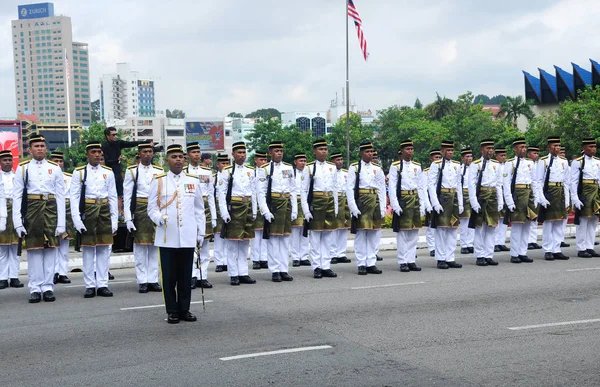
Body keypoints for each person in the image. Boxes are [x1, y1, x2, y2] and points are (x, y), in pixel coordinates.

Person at [147, 144, 205, 324]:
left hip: (187, 236)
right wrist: (159, 218)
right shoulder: (159, 181)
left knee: (185, 277)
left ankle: (185, 309)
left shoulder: (193, 181)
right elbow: (151, 209)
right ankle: (172, 310)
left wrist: (200, 233)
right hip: (167, 237)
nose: (178, 159)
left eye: (181, 156)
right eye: (174, 156)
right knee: (169, 277)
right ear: (167, 160)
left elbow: (199, 210)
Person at [13, 134, 64, 303]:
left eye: (42, 145)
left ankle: (48, 287)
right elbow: (17, 197)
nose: (40, 149)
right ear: (30, 149)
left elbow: (61, 197)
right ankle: (35, 288)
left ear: (46, 148)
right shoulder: (22, 168)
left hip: (50, 209)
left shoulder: (55, 168)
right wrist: (17, 222)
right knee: (34, 252)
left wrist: (61, 222)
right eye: (36, 146)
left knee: (50, 251)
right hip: (32, 210)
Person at [71, 141, 118, 298]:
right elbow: (74, 197)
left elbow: (112, 196)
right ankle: (90, 284)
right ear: (87, 154)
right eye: (93, 152)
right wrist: (77, 220)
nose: (97, 154)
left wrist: (115, 220)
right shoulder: (79, 172)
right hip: (88, 210)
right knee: (89, 250)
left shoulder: (108, 172)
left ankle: (103, 284)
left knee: (104, 249)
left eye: (99, 151)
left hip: (104, 210)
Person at [123, 142, 164, 293]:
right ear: (139, 154)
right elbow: (127, 196)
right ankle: (142, 280)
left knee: (154, 245)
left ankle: (153, 280)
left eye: (150, 151)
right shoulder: (132, 171)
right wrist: (128, 218)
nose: (148, 154)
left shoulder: (159, 170)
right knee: (140, 247)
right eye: (145, 151)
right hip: (139, 208)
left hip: (155, 208)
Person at [217, 141, 257, 286]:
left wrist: (254, 209)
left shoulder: (251, 170)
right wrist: (224, 212)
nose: (242, 156)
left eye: (244, 153)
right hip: (233, 207)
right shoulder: (227, 171)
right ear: (233, 154)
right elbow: (221, 193)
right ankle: (233, 274)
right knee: (233, 243)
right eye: (239, 153)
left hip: (247, 205)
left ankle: (243, 273)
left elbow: (255, 191)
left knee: (245, 242)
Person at [257, 140, 297, 282]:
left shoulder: (288, 167)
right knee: (273, 239)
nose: (279, 153)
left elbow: (293, 189)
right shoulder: (265, 169)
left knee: (285, 239)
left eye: (281, 151)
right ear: (270, 153)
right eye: (276, 151)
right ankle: (275, 270)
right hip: (273, 204)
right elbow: (260, 193)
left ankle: (284, 269)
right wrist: (265, 211)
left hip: (286, 203)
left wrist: (294, 209)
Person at [388, 140, 429, 272]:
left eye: (411, 149)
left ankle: (411, 260)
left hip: (415, 198)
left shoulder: (417, 165)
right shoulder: (396, 166)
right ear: (402, 151)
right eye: (407, 149)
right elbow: (392, 187)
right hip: (403, 199)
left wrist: (422, 204)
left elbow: (421, 186)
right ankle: (402, 261)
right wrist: (395, 205)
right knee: (403, 233)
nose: (410, 151)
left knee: (414, 232)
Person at [301, 139, 339, 278]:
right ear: (314, 151)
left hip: (329, 201)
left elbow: (335, 188)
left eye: (325, 149)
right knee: (316, 237)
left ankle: (326, 266)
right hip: (316, 202)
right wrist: (306, 210)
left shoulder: (332, 167)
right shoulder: (309, 167)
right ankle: (317, 266)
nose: (324, 151)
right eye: (321, 149)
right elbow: (304, 190)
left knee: (328, 236)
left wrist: (335, 207)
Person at [346, 141, 385, 275]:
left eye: (371, 152)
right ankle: (361, 263)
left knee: (374, 234)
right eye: (367, 152)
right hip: (361, 201)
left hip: (375, 201)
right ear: (361, 153)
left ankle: (371, 262)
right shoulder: (355, 168)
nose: (370, 154)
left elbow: (381, 189)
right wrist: (353, 207)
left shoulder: (377, 168)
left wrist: (383, 207)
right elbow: (349, 188)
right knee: (362, 234)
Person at [183, 142, 217, 289]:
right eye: (194, 152)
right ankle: (192, 275)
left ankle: (203, 276)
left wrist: (214, 216)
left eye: (198, 152)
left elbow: (211, 195)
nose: (197, 154)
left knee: (204, 245)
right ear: (188, 155)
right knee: (191, 245)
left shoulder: (207, 172)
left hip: (205, 209)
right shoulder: (183, 171)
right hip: (188, 208)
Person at [428, 140, 464, 270]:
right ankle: (441, 258)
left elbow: (459, 184)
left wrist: (460, 202)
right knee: (441, 230)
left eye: (452, 150)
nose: (450, 153)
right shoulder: (436, 164)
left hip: (453, 196)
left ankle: (450, 258)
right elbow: (431, 185)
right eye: (447, 150)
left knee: (453, 229)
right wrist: (435, 203)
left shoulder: (456, 164)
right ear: (442, 151)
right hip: (442, 197)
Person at [468, 139, 503, 266]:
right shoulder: (475, 165)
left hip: (493, 195)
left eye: (492, 149)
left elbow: (499, 184)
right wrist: (474, 202)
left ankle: (489, 254)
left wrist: (500, 201)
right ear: (482, 149)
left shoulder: (496, 164)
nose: (490, 151)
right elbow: (471, 185)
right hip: (481, 196)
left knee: (492, 227)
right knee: (480, 227)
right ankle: (479, 255)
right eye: (488, 149)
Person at [101, 127, 151, 217]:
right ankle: (111, 212)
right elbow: (107, 161)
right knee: (110, 193)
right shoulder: (104, 146)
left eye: (116, 134)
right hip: (108, 171)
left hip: (117, 170)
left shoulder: (118, 143)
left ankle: (120, 212)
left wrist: (145, 142)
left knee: (120, 193)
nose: (115, 136)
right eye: (113, 135)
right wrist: (118, 159)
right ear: (107, 136)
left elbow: (131, 144)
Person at [535, 136, 570, 261]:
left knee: (559, 223)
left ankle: (557, 249)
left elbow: (566, 182)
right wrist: (542, 198)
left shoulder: (564, 161)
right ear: (549, 147)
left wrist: (567, 199)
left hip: (560, 191)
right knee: (549, 223)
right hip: (549, 191)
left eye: (559, 146)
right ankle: (548, 250)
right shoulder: (543, 161)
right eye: (555, 146)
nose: (557, 148)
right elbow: (538, 181)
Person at [503, 138, 537, 264]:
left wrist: (536, 198)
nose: (524, 149)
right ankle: (514, 253)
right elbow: (506, 184)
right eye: (521, 147)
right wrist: (509, 202)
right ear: (515, 149)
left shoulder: (530, 163)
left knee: (527, 225)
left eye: (525, 146)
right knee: (517, 226)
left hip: (529, 195)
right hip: (517, 195)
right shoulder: (510, 163)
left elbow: (534, 181)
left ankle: (523, 252)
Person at [570, 138, 600, 258]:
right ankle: (581, 248)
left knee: (593, 220)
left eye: (594, 147)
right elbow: (573, 182)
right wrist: (575, 198)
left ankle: (589, 246)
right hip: (584, 191)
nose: (593, 149)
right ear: (583, 148)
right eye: (590, 147)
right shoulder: (578, 162)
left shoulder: (598, 161)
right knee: (583, 221)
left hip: (595, 191)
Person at [50, 151, 72, 285]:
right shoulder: (46, 176)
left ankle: (63, 272)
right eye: (55, 161)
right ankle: (53, 272)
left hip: (66, 211)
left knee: (64, 244)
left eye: (60, 161)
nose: (58, 164)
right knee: (52, 243)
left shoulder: (69, 177)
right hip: (51, 210)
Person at [0, 150, 21, 289]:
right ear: (0, 162)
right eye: (5, 160)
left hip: (15, 210)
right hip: (1, 211)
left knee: (15, 247)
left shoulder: (17, 176)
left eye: (9, 160)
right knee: (2, 248)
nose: (7, 162)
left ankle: (14, 277)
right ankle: (2, 278)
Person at [330, 152, 351, 264]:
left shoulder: (346, 173)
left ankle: (341, 253)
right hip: (334, 199)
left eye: (341, 159)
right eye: (337, 160)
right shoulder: (329, 172)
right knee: (334, 229)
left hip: (345, 200)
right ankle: (332, 253)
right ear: (332, 161)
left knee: (343, 228)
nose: (340, 162)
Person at [250, 150, 269, 270]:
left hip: (266, 205)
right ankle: (256, 259)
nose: (263, 162)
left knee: (265, 233)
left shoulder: (268, 172)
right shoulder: (251, 172)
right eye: (260, 160)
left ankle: (264, 258)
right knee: (256, 235)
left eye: (265, 160)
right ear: (255, 160)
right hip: (255, 205)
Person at [291, 152, 310, 267]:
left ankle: (304, 256)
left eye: (304, 161)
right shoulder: (290, 173)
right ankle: (295, 257)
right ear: (295, 162)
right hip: (295, 201)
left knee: (305, 231)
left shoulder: (308, 172)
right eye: (300, 161)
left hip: (306, 202)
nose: (303, 163)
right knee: (295, 232)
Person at [213, 153, 230, 272]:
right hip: (217, 206)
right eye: (222, 163)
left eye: (227, 163)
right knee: (218, 236)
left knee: (228, 235)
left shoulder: (230, 175)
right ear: (217, 164)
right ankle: (219, 262)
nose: (225, 165)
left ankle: (227, 261)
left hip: (227, 207)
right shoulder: (214, 177)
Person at [425, 149, 441, 257]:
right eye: (436, 157)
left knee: (440, 225)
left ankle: (439, 246)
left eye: (439, 157)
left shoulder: (443, 170)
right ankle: (432, 247)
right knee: (431, 225)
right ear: (431, 159)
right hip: (430, 199)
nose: (438, 159)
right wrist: (427, 204)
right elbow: (424, 188)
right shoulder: (426, 171)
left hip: (440, 198)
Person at [494, 147, 510, 252]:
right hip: (495, 193)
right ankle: (495, 242)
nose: (503, 157)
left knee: (504, 219)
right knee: (496, 219)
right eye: (501, 155)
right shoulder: (494, 165)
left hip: (506, 192)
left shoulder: (508, 166)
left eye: (504, 155)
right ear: (496, 156)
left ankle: (501, 242)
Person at [526, 146, 543, 250]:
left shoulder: (540, 164)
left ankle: (533, 240)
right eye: (534, 153)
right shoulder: (526, 164)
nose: (536, 155)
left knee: (535, 218)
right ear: (529, 154)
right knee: (528, 217)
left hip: (537, 192)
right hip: (528, 192)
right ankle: (528, 240)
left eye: (537, 153)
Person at [459, 148, 474, 254]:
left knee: (473, 220)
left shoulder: (475, 168)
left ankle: (470, 243)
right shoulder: (459, 169)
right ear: (462, 158)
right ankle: (464, 244)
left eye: (470, 156)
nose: (469, 158)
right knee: (464, 221)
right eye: (467, 157)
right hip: (463, 193)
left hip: (472, 194)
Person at [559, 146, 571, 248]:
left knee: (564, 218)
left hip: (565, 193)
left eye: (563, 152)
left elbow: (568, 182)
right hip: (553, 193)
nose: (562, 154)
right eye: (561, 152)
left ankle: (561, 239)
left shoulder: (567, 166)